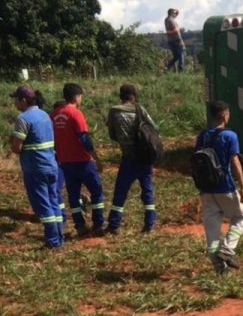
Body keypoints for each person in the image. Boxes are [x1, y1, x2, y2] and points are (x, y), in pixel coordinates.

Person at [195, 100, 243, 273]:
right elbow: (235, 162)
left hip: (205, 188)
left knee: (212, 227)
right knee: (240, 218)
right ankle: (227, 249)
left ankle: (218, 265)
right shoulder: (229, 136)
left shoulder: (202, 135)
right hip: (225, 186)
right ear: (224, 116)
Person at [9, 85, 64, 248]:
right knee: (54, 201)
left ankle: (52, 241)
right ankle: (60, 238)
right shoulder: (45, 115)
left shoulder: (23, 119)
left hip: (35, 168)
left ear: (23, 100)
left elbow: (16, 148)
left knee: (43, 204)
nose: (15, 104)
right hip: (51, 165)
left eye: (16, 100)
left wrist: (12, 141)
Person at [50, 83, 105, 237]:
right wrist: (96, 158)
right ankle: (98, 223)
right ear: (76, 97)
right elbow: (84, 138)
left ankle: (79, 225)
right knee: (97, 192)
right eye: (80, 96)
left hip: (65, 162)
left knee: (73, 195)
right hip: (83, 161)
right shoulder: (76, 114)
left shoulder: (53, 115)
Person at [105, 84, 158, 235]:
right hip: (144, 158)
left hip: (128, 158)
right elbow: (153, 128)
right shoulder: (140, 109)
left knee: (120, 191)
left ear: (121, 96)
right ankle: (150, 222)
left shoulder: (114, 111)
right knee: (147, 190)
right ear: (133, 96)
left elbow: (112, 135)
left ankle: (114, 224)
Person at [164, 8, 185, 73]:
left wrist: (176, 11)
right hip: (176, 40)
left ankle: (167, 67)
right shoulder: (171, 20)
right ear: (171, 13)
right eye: (174, 13)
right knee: (181, 54)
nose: (175, 14)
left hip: (170, 40)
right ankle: (181, 71)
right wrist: (178, 30)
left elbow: (176, 14)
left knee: (176, 56)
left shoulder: (167, 19)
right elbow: (173, 31)